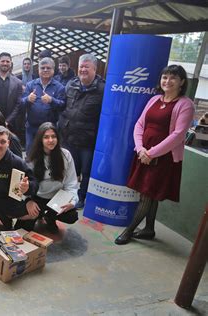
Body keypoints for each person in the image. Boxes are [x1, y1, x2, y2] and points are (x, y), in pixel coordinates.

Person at [115, 65, 195, 245]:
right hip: (143, 153)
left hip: (163, 158)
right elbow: (139, 125)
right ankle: (149, 229)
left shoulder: (185, 104)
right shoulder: (154, 99)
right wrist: (140, 148)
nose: (167, 81)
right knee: (150, 193)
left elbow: (178, 135)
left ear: (182, 82)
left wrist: (151, 153)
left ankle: (129, 231)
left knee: (147, 193)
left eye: (173, 78)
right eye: (164, 77)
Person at [58, 53, 105, 209]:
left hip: (88, 141)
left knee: (86, 172)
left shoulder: (102, 89)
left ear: (94, 69)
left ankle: (81, 198)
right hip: (68, 137)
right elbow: (62, 105)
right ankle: (66, 197)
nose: (83, 70)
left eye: (87, 67)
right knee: (69, 170)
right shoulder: (71, 84)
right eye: (81, 67)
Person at [17, 122, 78, 233]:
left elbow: (71, 183)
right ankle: (39, 214)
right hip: (37, 198)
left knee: (71, 216)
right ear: (40, 139)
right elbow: (22, 185)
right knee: (21, 227)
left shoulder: (65, 155)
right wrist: (28, 201)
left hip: (57, 197)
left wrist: (73, 201)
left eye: (53, 136)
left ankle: (50, 217)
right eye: (46, 137)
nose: (50, 140)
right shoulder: (31, 158)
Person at [22, 57, 66, 153]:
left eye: (48, 68)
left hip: (49, 130)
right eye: (42, 68)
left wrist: (51, 100)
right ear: (38, 70)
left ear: (53, 70)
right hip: (32, 128)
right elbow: (21, 103)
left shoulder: (60, 87)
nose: (45, 70)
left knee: (47, 156)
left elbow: (63, 105)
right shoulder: (30, 85)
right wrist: (27, 99)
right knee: (30, 156)